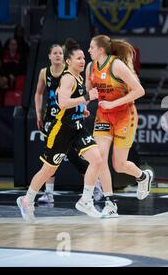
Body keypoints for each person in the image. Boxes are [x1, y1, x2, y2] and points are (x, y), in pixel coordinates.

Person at [17, 39, 103, 222]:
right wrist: (87, 97)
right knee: (48, 170)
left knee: (97, 159)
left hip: (78, 127)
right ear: (69, 62)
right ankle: (27, 200)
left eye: (83, 58)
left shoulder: (79, 77)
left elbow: (70, 103)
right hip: (62, 130)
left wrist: (82, 109)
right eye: (78, 58)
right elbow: (62, 103)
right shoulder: (67, 78)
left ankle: (85, 201)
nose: (82, 61)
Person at [87, 35, 153, 217]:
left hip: (125, 115)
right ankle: (110, 203)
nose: (88, 50)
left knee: (119, 165)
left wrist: (113, 104)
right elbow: (89, 91)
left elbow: (140, 91)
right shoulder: (90, 67)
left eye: (91, 47)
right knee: (99, 159)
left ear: (101, 50)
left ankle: (143, 176)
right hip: (103, 116)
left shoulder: (116, 65)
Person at [34, 44, 103, 204]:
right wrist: (38, 113)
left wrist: (81, 108)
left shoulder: (72, 75)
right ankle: (44, 194)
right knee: (50, 163)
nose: (57, 55)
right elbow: (41, 94)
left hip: (69, 119)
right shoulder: (46, 73)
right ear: (50, 56)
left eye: (60, 52)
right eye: (55, 53)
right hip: (54, 120)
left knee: (79, 158)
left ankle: (93, 190)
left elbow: (69, 99)